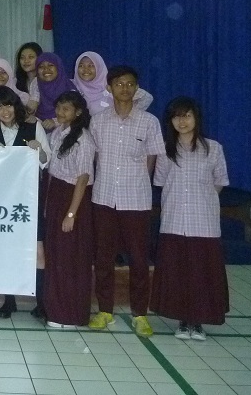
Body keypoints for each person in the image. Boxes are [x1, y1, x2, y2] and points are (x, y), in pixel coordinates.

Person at [89, 66, 165, 338]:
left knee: (139, 259)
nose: (125, 88)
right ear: (109, 87)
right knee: (104, 258)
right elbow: (93, 157)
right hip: (104, 198)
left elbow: (152, 159)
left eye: (130, 84)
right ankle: (105, 310)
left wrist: (138, 182)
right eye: (119, 84)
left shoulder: (149, 122)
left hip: (136, 200)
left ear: (136, 88)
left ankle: (140, 314)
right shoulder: (98, 121)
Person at [150, 97, 229, 341]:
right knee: (178, 274)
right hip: (174, 221)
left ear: (196, 118)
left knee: (201, 275)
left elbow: (219, 181)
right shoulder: (166, 150)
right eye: (176, 116)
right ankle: (183, 322)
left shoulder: (213, 148)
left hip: (204, 223)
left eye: (187, 115)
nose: (182, 121)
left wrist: (202, 201)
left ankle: (198, 322)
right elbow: (160, 182)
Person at [0, 86, 50, 321]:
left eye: (8, 105)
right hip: (2, 199)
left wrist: (38, 149)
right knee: (6, 249)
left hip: (30, 198)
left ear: (16, 105)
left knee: (38, 251)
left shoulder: (34, 126)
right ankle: (9, 301)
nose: (4, 111)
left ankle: (41, 303)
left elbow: (46, 160)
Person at [44, 91, 95, 328]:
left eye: (66, 109)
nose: (61, 112)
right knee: (56, 255)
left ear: (78, 112)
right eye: (59, 108)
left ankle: (72, 315)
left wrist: (71, 214)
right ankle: (55, 311)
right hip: (56, 195)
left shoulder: (83, 138)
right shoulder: (57, 133)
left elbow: (83, 178)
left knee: (71, 257)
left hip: (73, 199)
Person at [73, 51, 154, 116]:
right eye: (81, 66)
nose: (86, 69)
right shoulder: (72, 87)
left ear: (99, 67)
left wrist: (128, 115)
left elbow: (146, 98)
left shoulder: (112, 86)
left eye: (91, 65)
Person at [35, 52, 76, 132]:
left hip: (67, 132)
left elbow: (76, 114)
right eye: (41, 66)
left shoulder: (70, 89)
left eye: (51, 65)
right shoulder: (36, 86)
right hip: (40, 131)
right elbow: (31, 110)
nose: (46, 69)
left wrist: (55, 121)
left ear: (58, 67)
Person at [15, 42, 43, 115]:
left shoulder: (44, 81)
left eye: (31, 57)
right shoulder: (15, 82)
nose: (26, 61)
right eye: (22, 58)